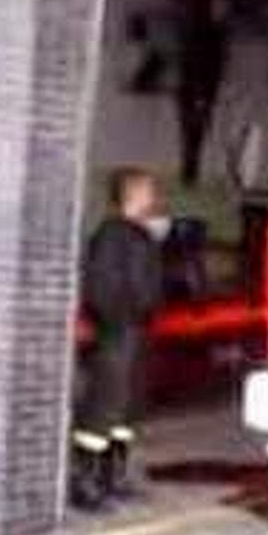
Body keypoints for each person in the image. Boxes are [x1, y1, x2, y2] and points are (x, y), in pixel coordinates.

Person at [71, 167, 166, 510]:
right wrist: (118, 321)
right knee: (102, 408)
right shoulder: (112, 236)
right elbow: (101, 287)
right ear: (132, 194)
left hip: (136, 332)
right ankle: (84, 484)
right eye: (149, 191)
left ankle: (113, 477)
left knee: (126, 411)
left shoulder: (140, 235)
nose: (154, 197)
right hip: (117, 334)